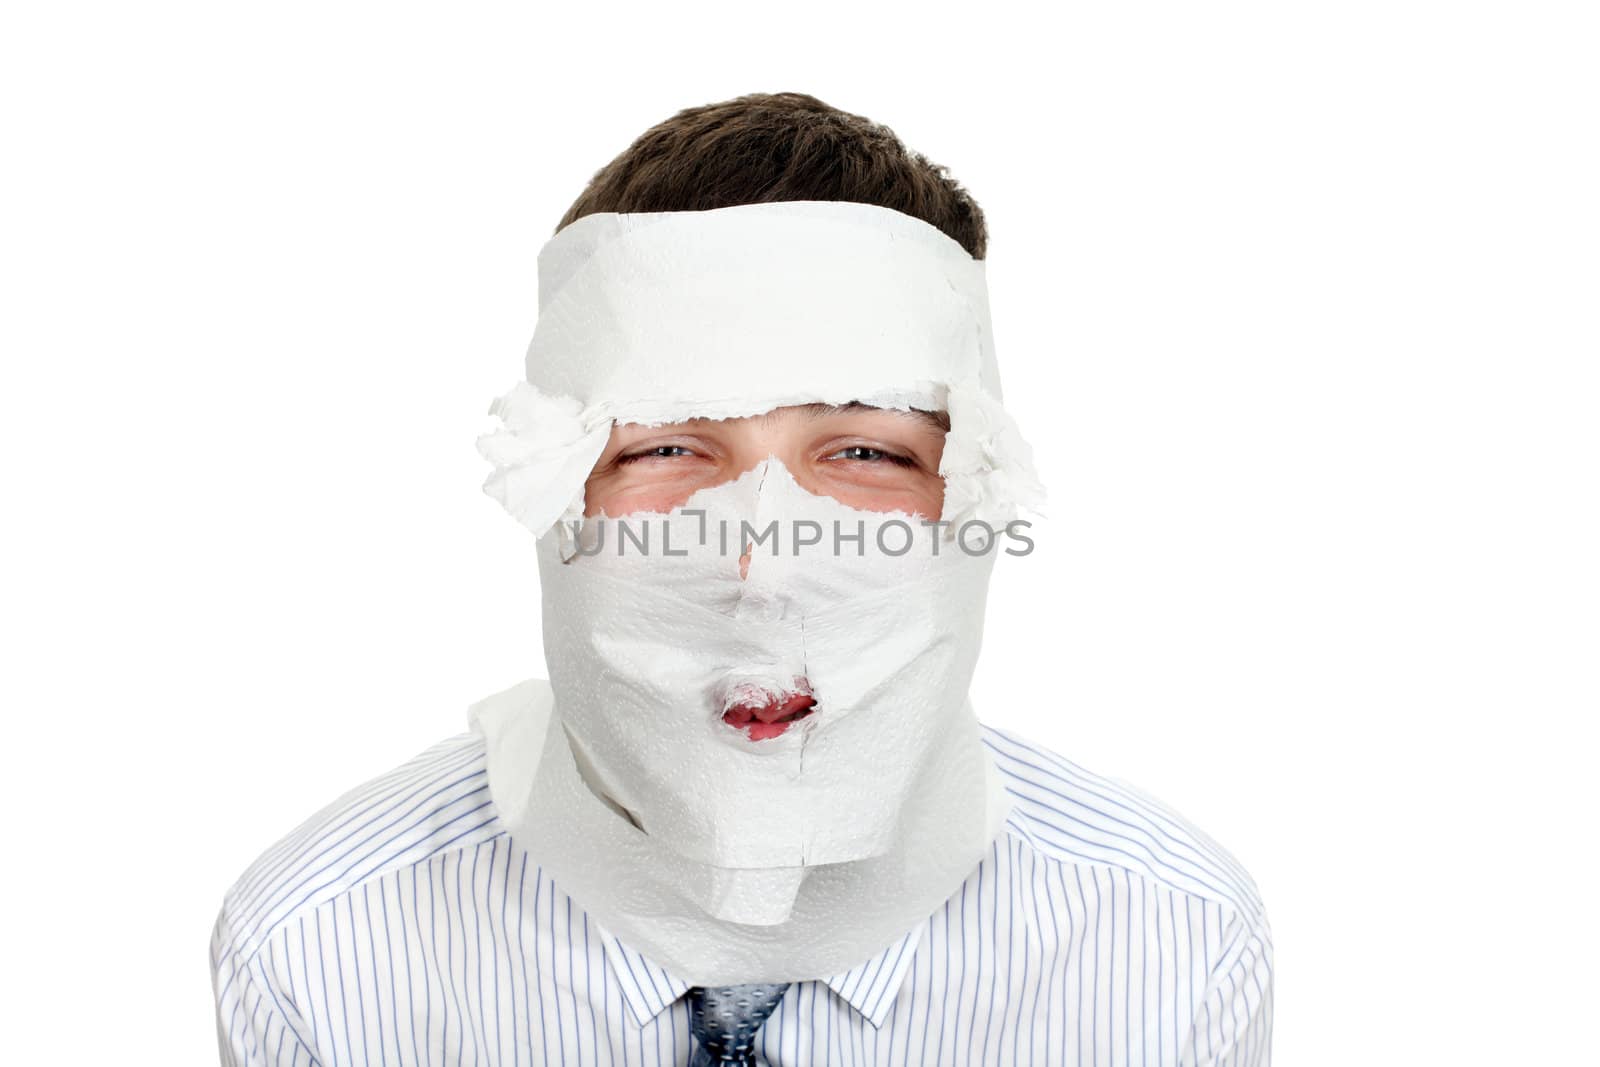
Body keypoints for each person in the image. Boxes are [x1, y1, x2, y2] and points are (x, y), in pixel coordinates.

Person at [209, 91, 1274, 1067]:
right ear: (547, 492)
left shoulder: (1172, 944)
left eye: (867, 454)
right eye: (665, 450)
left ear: (981, 493)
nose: (763, 570)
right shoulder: (317, 946)